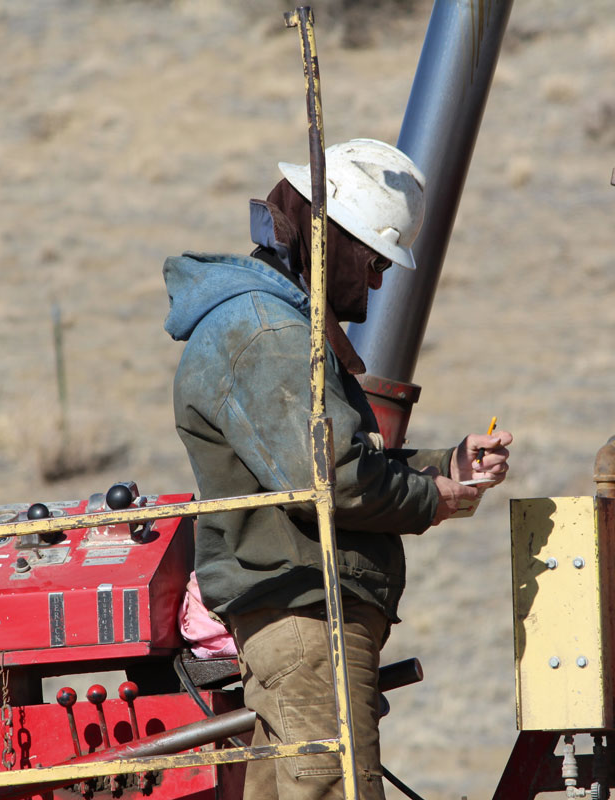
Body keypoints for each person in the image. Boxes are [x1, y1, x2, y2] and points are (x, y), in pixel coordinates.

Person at [163, 138, 512, 800]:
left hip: (295, 621)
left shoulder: (273, 325)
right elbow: (334, 481)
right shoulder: (267, 333)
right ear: (338, 241)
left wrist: (444, 466)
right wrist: (429, 498)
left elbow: (331, 458)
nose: (377, 282)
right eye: (375, 261)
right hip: (308, 617)